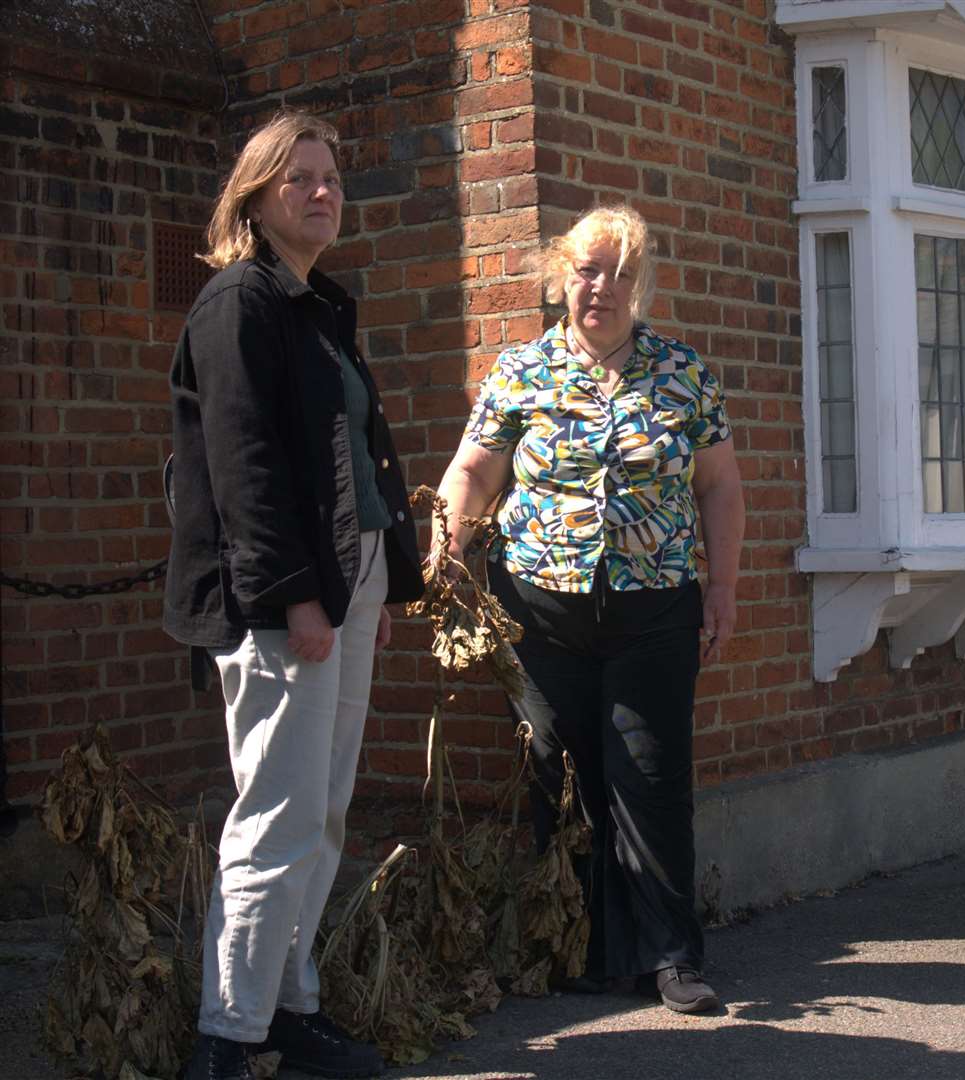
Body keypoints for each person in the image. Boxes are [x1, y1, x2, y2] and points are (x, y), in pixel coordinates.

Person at [433, 205, 746, 1014]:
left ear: (641, 286)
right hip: (541, 613)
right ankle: (576, 948)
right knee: (559, 777)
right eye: (585, 269)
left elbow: (719, 487)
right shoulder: (521, 371)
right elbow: (473, 473)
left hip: (653, 611)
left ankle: (671, 957)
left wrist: (723, 587)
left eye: (619, 272)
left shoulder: (684, 374)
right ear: (561, 277)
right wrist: (444, 550)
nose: (600, 286)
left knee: (650, 778)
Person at [163, 111, 423, 1080]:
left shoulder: (317, 307)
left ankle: (285, 1006)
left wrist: (378, 585)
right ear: (255, 199)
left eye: (331, 178)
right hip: (286, 595)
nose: (323, 192)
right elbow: (246, 472)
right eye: (298, 179)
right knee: (274, 811)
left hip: (346, 578)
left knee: (323, 809)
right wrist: (296, 599)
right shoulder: (239, 305)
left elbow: (348, 461)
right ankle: (226, 1036)